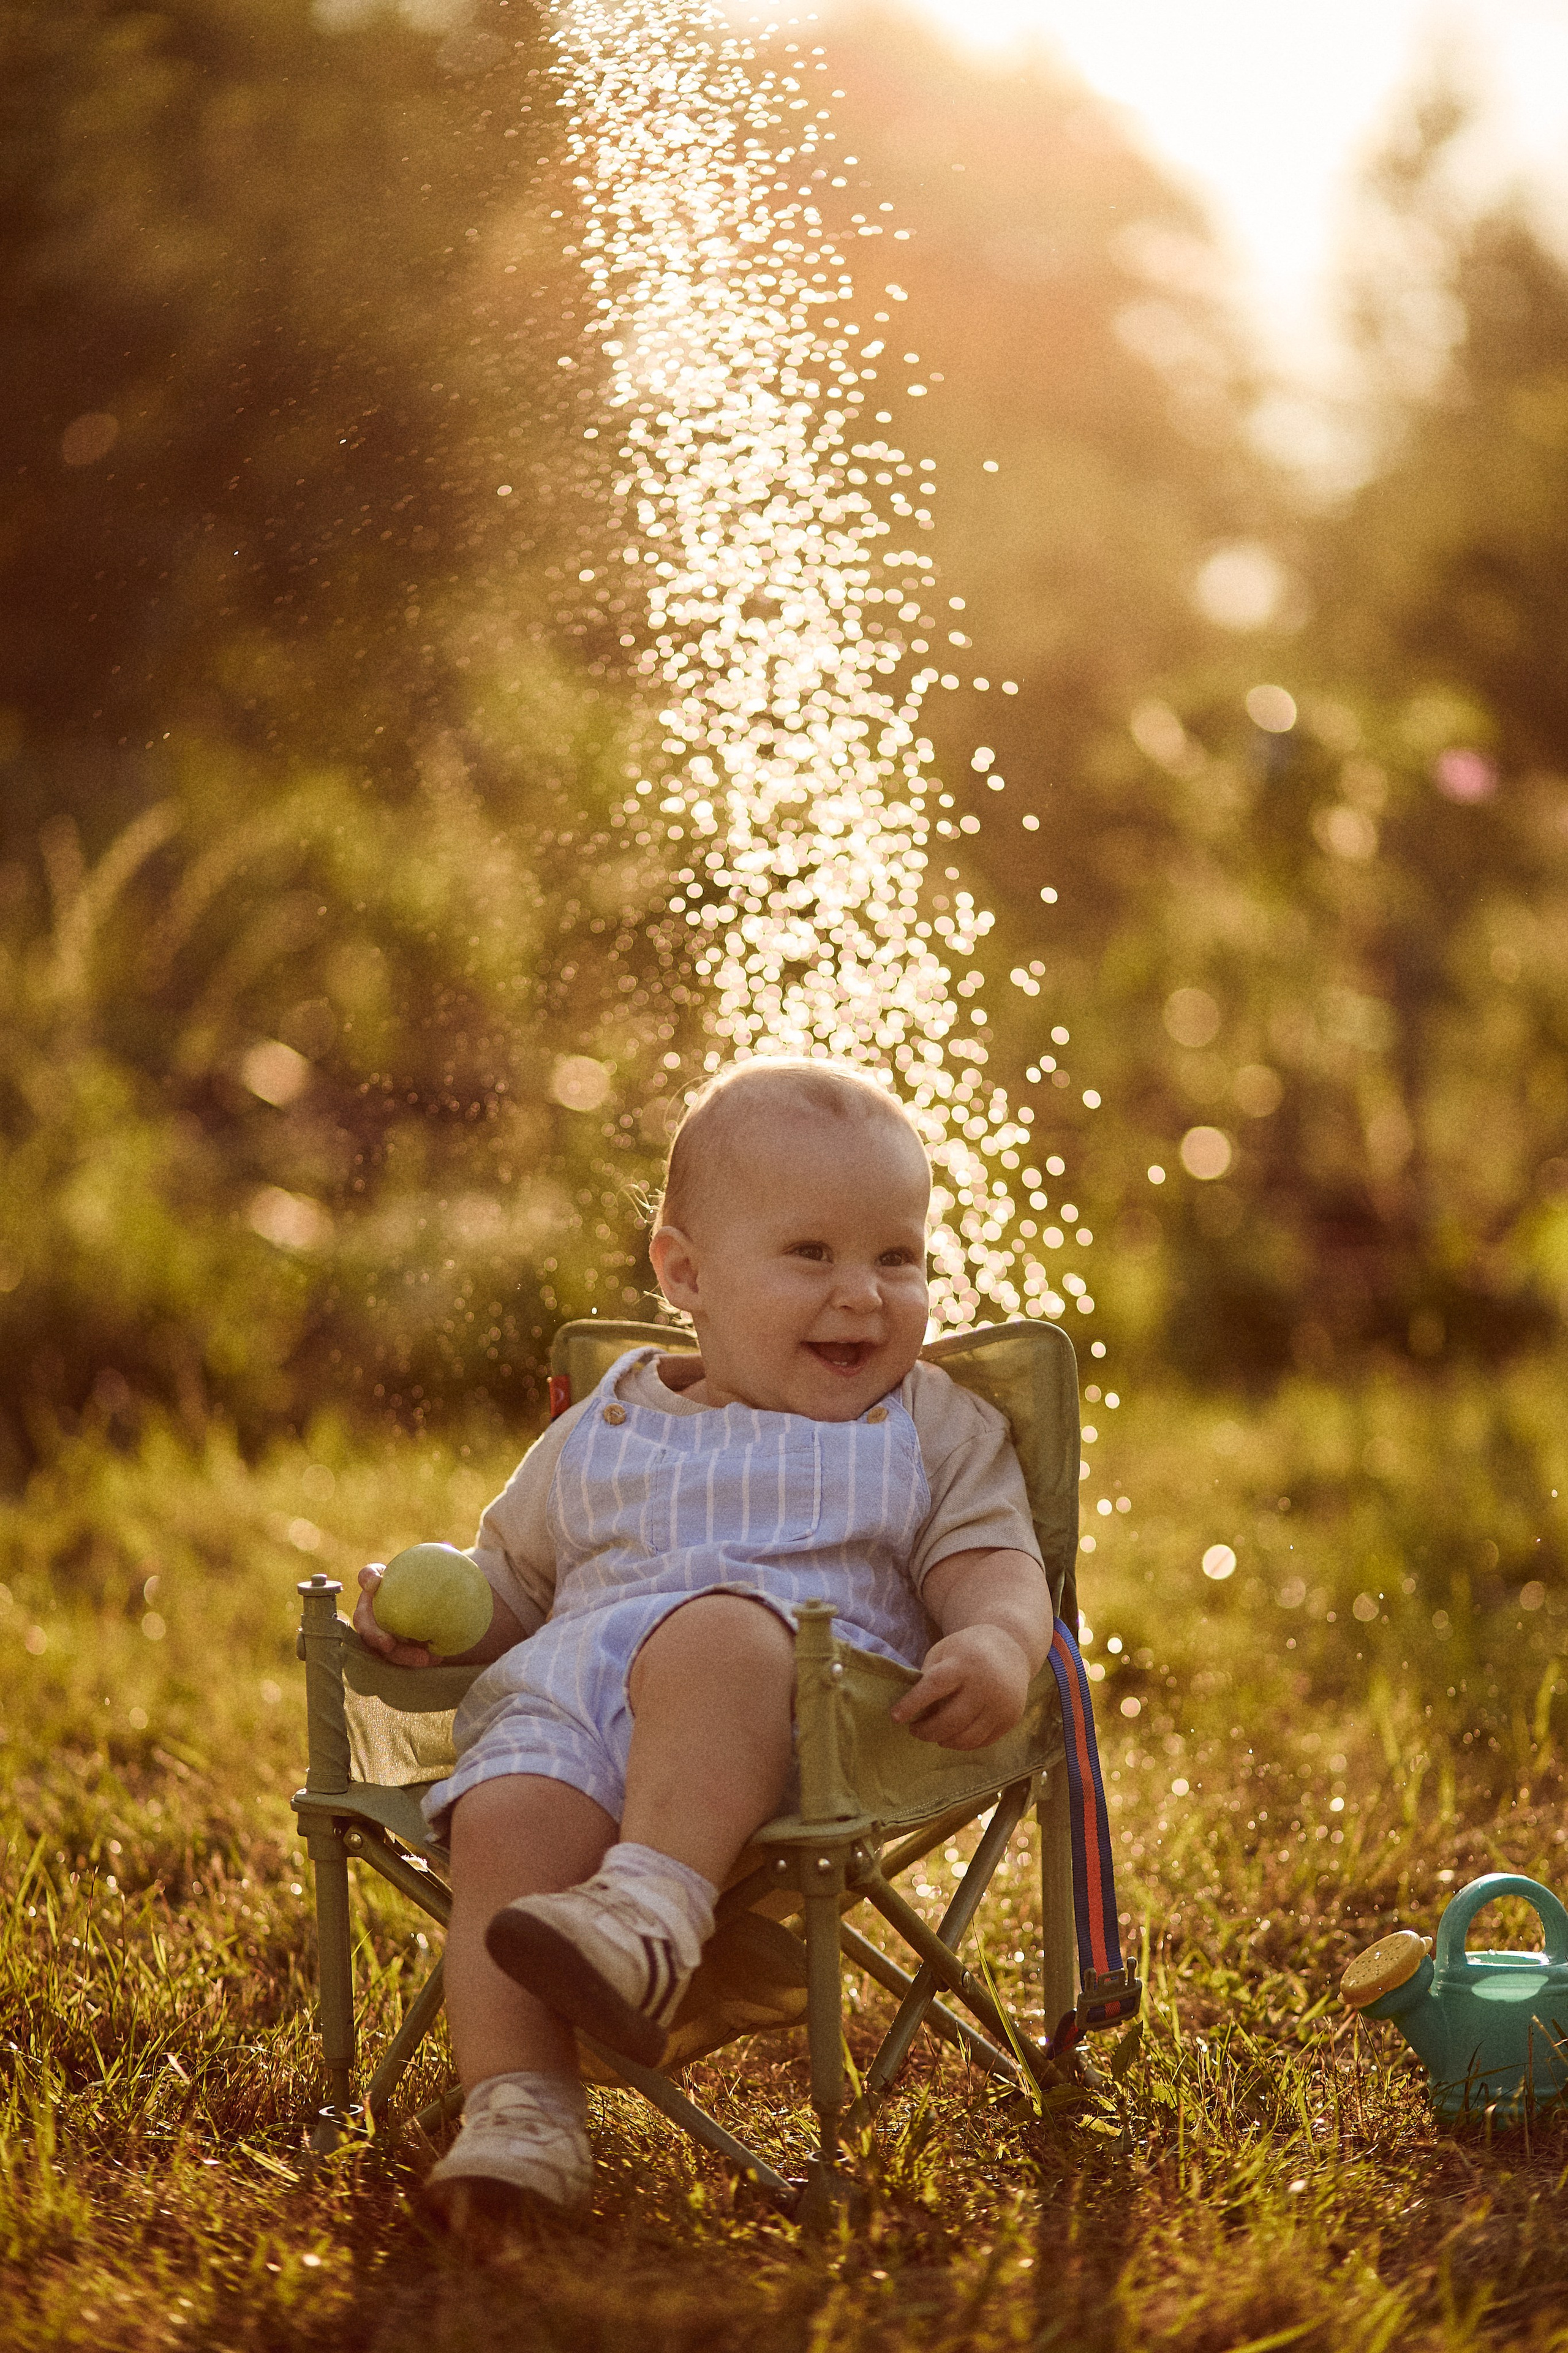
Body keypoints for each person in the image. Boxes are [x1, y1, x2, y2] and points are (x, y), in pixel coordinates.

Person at [354, 1057, 1052, 2223]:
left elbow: (996, 1563)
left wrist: (993, 1643)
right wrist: (438, 1609)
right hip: (578, 1708)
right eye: (812, 1255)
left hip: (799, 1723)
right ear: (685, 1272)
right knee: (505, 1811)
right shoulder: (604, 1420)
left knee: (716, 1630)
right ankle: (520, 2112)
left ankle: (654, 1909)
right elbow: (518, 1581)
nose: (865, 1297)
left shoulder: (925, 1419)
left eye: (898, 1256)